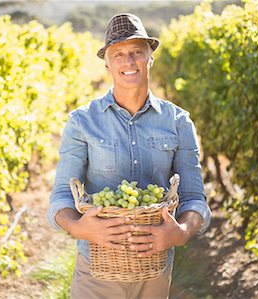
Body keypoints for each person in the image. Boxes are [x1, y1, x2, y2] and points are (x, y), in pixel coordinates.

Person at [47, 13, 211, 299]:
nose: (129, 61)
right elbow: (61, 196)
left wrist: (182, 232)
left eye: (137, 52)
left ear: (150, 58)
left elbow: (195, 197)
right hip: (95, 272)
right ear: (107, 64)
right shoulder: (82, 122)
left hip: (155, 271)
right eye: (118, 54)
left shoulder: (178, 121)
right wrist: (79, 228)